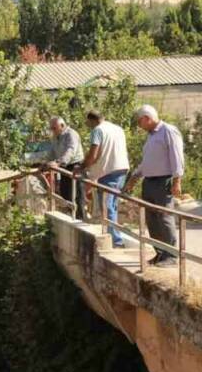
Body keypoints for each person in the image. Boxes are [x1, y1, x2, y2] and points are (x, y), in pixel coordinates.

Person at [124, 104, 186, 267]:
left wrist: (177, 180)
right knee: (152, 219)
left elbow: (177, 156)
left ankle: (171, 256)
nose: (139, 126)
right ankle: (160, 253)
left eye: (140, 122)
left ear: (147, 118)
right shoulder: (151, 136)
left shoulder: (168, 131)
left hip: (163, 181)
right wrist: (134, 177)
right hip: (149, 181)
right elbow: (147, 162)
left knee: (164, 218)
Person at [78, 110, 130, 247]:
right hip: (122, 169)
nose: (87, 124)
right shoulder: (118, 129)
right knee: (112, 205)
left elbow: (93, 155)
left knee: (107, 207)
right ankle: (115, 236)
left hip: (108, 172)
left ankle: (116, 241)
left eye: (87, 122)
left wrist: (82, 167)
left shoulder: (97, 131)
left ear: (91, 120)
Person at [48, 116, 84, 218]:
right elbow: (52, 152)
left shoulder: (71, 134)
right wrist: (45, 164)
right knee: (65, 192)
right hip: (64, 166)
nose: (52, 131)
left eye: (54, 128)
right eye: (51, 128)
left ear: (62, 126)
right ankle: (69, 215)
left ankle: (79, 218)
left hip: (75, 165)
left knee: (77, 194)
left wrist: (58, 162)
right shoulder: (55, 137)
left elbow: (70, 151)